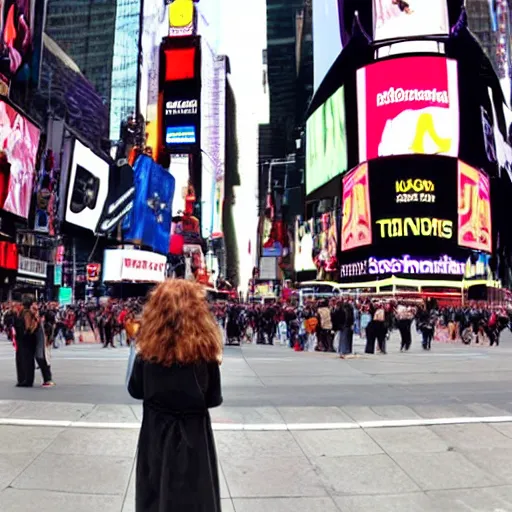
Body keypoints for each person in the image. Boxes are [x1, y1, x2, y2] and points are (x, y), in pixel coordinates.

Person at [128, 279, 223, 512]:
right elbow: (213, 398)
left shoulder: (146, 354)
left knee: (155, 494)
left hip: (157, 434)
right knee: (196, 496)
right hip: (194, 436)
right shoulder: (205, 355)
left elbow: (135, 390)